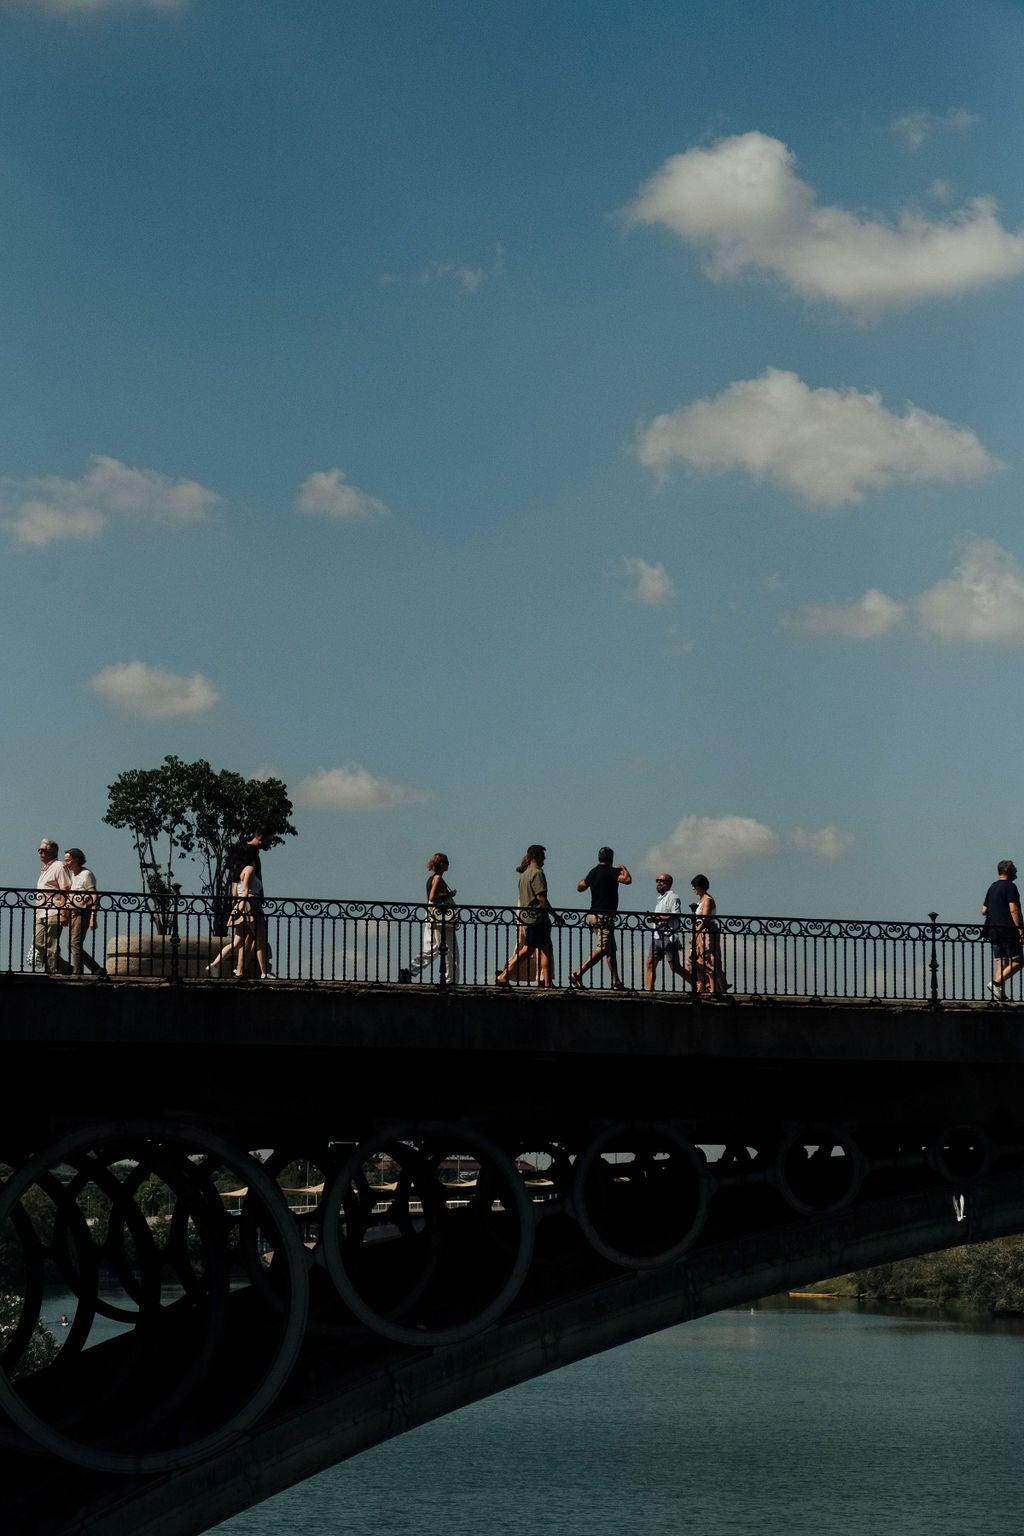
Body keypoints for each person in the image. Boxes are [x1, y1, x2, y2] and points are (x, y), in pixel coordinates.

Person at [207, 833, 270, 980]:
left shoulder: (236, 875)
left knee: (238, 942)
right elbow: (247, 890)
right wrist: (243, 906)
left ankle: (218, 966)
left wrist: (237, 907)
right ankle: (262, 972)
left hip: (240, 906)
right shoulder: (249, 870)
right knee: (258, 938)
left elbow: (235, 893)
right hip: (249, 905)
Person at [571, 846, 632, 990]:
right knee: (603, 949)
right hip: (605, 916)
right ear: (611, 858)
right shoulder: (612, 871)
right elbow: (628, 880)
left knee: (610, 950)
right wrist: (622, 867)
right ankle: (577, 974)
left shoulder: (593, 872)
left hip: (592, 916)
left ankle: (616, 982)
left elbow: (580, 887)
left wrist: (587, 879)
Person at [497, 845, 557, 988]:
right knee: (534, 949)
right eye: (543, 855)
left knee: (542, 948)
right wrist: (554, 914)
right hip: (538, 917)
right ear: (536, 856)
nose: (545, 858)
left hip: (527, 916)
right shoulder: (537, 873)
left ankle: (547, 982)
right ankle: (503, 975)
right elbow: (541, 897)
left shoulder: (524, 875)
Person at [400, 853, 460, 984]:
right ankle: (451, 980)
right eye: (446, 862)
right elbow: (432, 897)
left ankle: (410, 971)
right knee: (450, 951)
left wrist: (447, 894)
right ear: (442, 864)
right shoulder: (438, 878)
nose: (448, 864)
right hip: (440, 918)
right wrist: (446, 896)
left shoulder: (432, 878)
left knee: (432, 948)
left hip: (432, 916)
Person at [981, 858, 1024, 1002]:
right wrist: (1020, 930)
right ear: (1011, 872)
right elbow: (1014, 909)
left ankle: (999, 996)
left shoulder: (992, 887)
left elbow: (983, 910)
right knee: (1018, 961)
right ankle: (996, 984)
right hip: (1007, 930)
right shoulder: (1010, 887)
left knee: (1001, 962)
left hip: (993, 930)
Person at [63, 848, 106, 977]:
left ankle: (78, 972)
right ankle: (96, 968)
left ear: (76, 860)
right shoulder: (73, 874)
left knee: (74, 944)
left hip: (83, 912)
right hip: (73, 913)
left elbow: (94, 895)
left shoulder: (86, 874)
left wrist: (93, 916)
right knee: (71, 944)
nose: (67, 863)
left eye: (69, 860)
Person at [645, 872, 690, 992]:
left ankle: (696, 983)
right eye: (657, 880)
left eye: (662, 881)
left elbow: (675, 915)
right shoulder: (660, 899)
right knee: (650, 963)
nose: (659, 883)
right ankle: (649, 991)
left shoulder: (673, 897)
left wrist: (657, 918)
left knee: (674, 967)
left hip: (668, 937)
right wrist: (655, 918)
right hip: (657, 937)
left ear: (669, 883)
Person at [33, 838, 71, 974]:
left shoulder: (59, 866)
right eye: (39, 850)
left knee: (51, 945)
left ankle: (52, 973)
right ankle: (65, 968)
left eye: (43, 850)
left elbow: (65, 889)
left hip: (54, 911)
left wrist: (63, 912)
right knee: (38, 943)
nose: (40, 852)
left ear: (52, 852)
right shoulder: (45, 869)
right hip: (41, 912)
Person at [690, 874, 729, 996]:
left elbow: (705, 918)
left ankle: (714, 988)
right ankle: (702, 986)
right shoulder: (701, 899)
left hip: (707, 932)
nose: (693, 889)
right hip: (700, 932)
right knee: (699, 960)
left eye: (694, 886)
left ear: (700, 886)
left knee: (709, 959)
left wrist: (696, 932)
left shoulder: (708, 900)